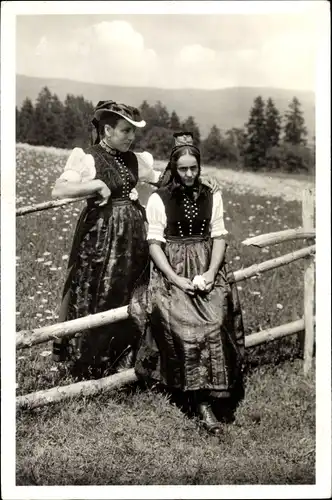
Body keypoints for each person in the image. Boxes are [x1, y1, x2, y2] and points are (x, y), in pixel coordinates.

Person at [51, 101, 220, 379]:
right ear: (107, 130)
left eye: (133, 132)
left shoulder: (134, 159)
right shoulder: (87, 157)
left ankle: (124, 358)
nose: (131, 137)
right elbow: (59, 190)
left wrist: (201, 180)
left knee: (130, 290)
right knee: (98, 291)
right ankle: (88, 363)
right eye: (125, 130)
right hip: (100, 239)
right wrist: (95, 184)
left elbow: (165, 182)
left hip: (133, 237)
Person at [130, 132, 245, 435]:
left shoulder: (212, 194)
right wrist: (176, 278)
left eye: (194, 168)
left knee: (216, 319)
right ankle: (200, 402)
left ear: (200, 167)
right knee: (185, 326)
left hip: (207, 264)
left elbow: (219, 236)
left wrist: (209, 274)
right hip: (171, 269)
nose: (190, 174)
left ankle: (219, 393)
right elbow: (155, 244)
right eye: (183, 169)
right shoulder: (159, 198)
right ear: (174, 168)